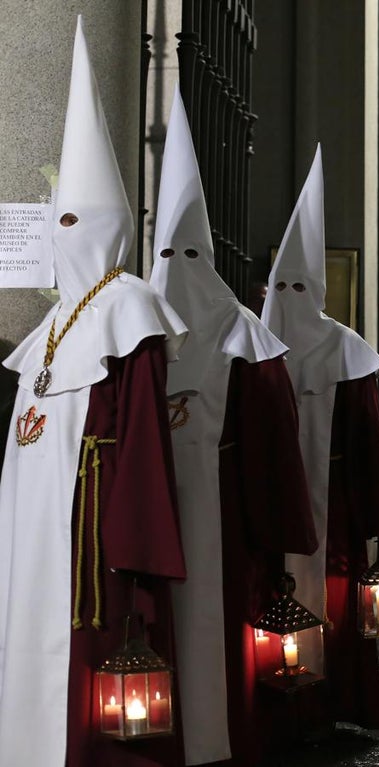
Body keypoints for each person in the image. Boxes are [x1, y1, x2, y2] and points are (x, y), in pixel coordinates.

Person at [0, 18, 188, 766]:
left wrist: (136, 559)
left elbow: (141, 441)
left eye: (78, 219)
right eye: (59, 220)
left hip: (92, 542)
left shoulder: (129, 309)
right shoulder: (47, 325)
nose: (66, 231)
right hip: (34, 525)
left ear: (107, 227)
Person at [150, 86, 316, 766]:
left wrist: (273, 537)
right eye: (169, 259)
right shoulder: (132, 324)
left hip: (219, 520)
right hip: (159, 515)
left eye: (186, 257)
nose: (177, 274)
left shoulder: (242, 333)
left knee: (211, 643)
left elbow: (273, 444)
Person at [262, 144, 379, 729]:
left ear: (318, 290)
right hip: (268, 507)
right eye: (282, 286)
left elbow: (368, 439)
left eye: (302, 288)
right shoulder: (248, 343)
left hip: (332, 505)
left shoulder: (344, 348)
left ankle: (331, 702)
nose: (291, 300)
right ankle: (272, 706)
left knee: (336, 600)